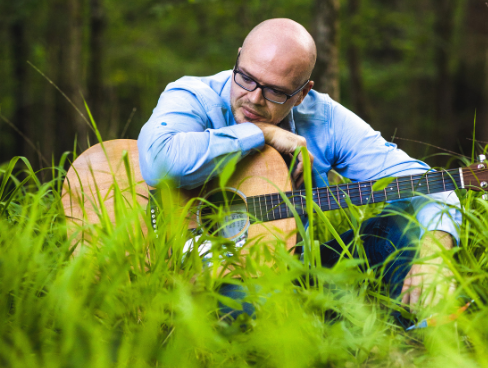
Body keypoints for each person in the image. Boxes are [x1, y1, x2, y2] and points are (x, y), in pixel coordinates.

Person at [138, 18, 462, 324]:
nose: (253, 98)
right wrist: (262, 133)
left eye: (275, 91)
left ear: (302, 93)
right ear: (238, 59)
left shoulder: (324, 119)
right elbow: (158, 162)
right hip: (192, 273)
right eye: (246, 77)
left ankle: (412, 343)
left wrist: (436, 248)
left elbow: (420, 179)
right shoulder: (194, 95)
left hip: (294, 272)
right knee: (250, 298)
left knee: (403, 221)